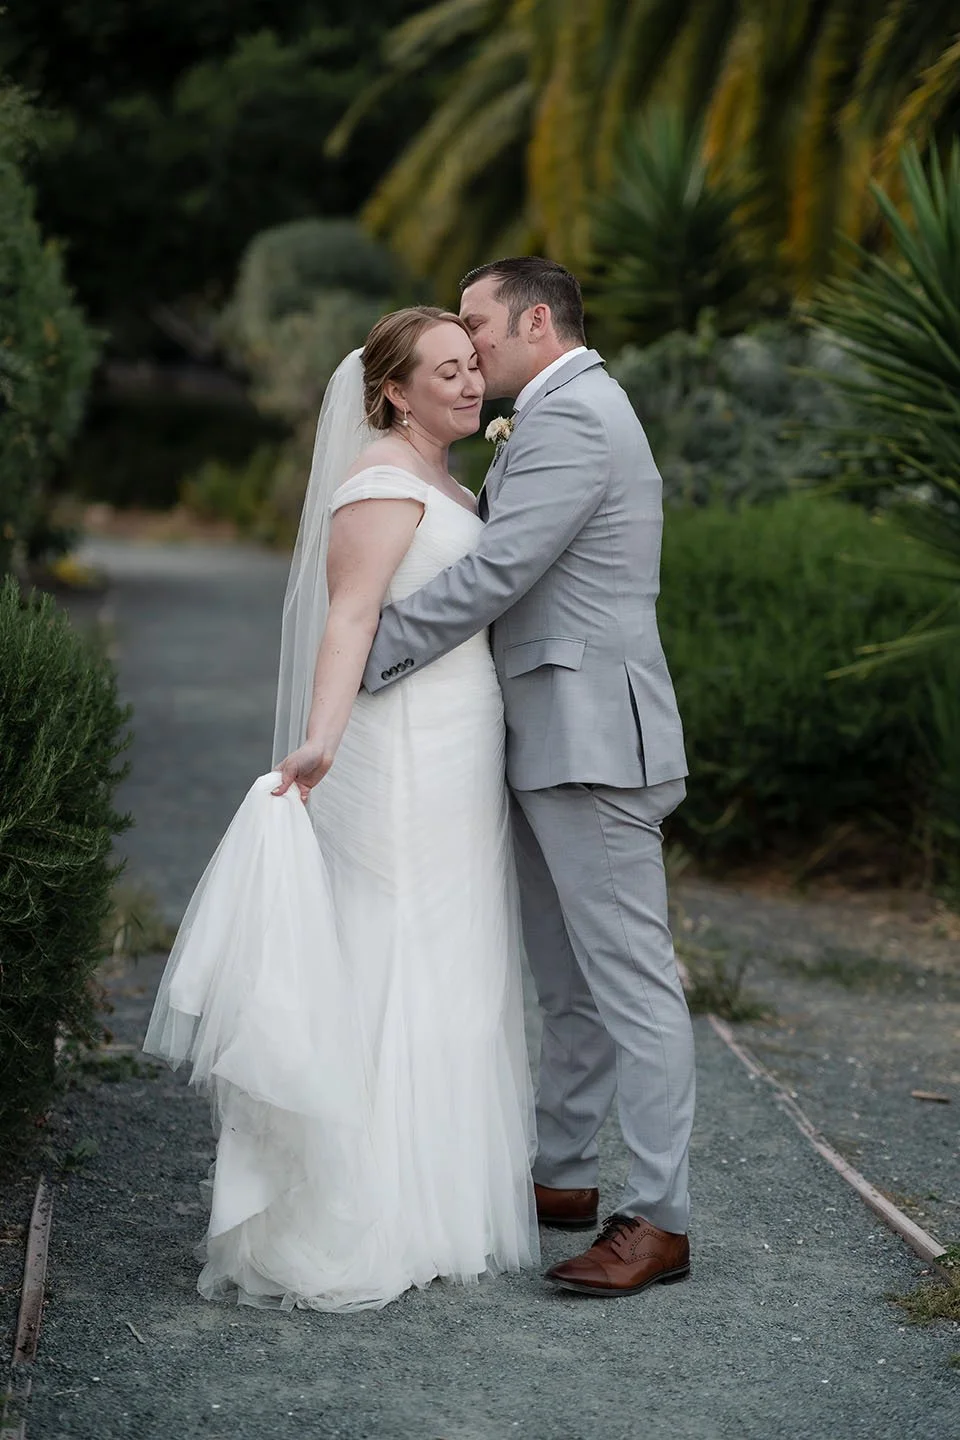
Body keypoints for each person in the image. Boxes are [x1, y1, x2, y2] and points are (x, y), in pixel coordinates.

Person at [144, 307, 539, 1312]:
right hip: (398, 748)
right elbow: (350, 617)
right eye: (444, 372)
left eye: (472, 365)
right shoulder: (380, 481)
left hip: (460, 743)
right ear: (394, 392)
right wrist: (319, 736)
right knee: (392, 949)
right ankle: (357, 1214)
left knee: (455, 956)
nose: (469, 383)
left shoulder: (451, 483)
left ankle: (436, 1208)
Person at [360, 258, 696, 1297]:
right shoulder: (556, 413)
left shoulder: (575, 416)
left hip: (590, 736)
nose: (466, 342)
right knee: (571, 980)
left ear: (536, 320)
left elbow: (502, 569)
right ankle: (561, 1173)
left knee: (630, 979)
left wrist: (370, 649)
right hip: (550, 733)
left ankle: (661, 1219)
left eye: (476, 322)